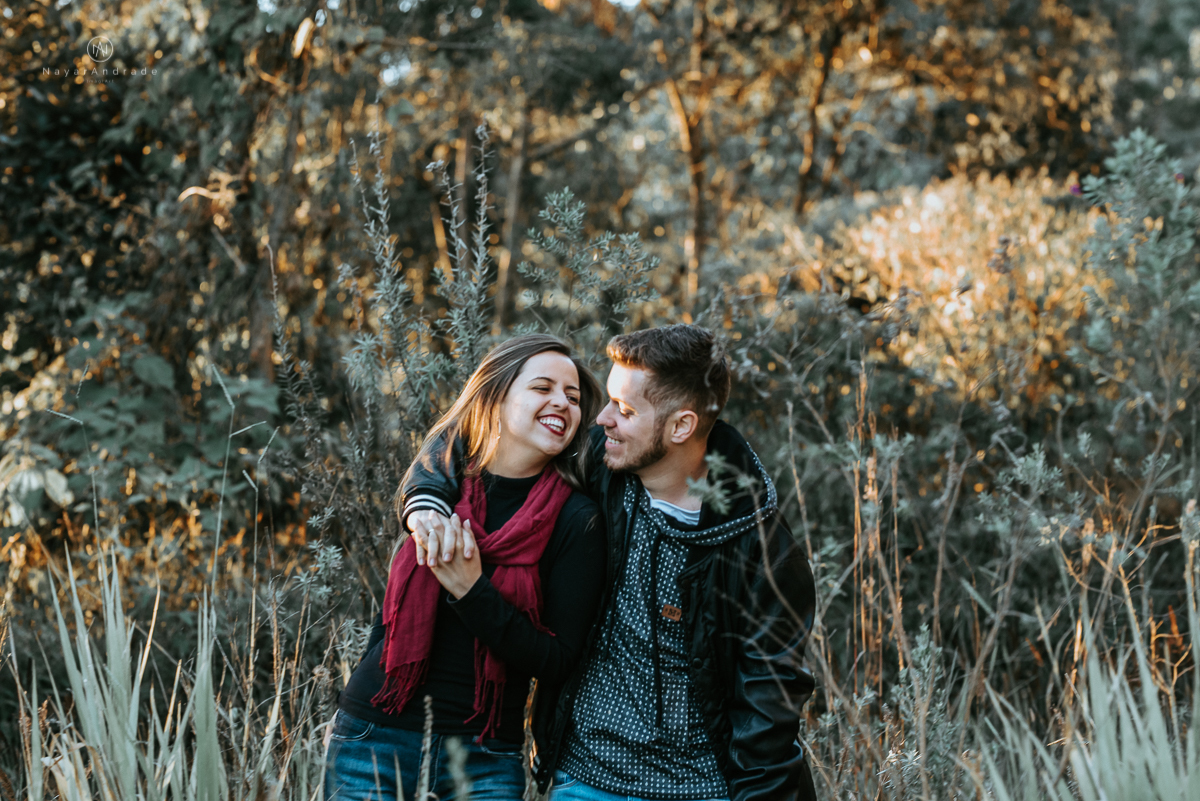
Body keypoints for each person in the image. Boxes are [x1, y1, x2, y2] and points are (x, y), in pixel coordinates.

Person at [404, 324, 817, 801]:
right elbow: (478, 428)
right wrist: (425, 502)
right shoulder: (600, 466)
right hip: (585, 779)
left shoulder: (762, 551)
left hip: (704, 788)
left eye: (624, 409)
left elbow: (768, 711)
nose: (600, 418)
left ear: (681, 427)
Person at [326, 334, 606, 801]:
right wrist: (350, 716)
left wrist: (472, 592)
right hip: (372, 738)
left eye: (573, 397)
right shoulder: (442, 490)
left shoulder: (577, 519)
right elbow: (394, 617)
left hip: (483, 760)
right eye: (542, 388)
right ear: (495, 396)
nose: (562, 402)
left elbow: (557, 660)